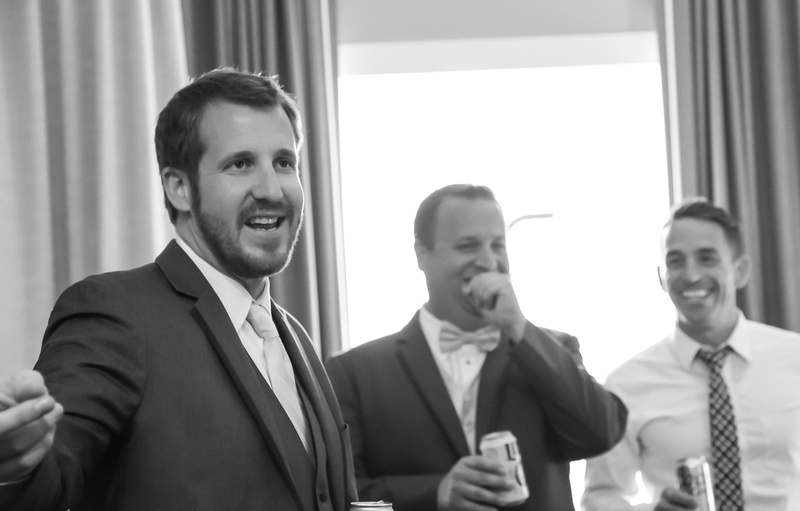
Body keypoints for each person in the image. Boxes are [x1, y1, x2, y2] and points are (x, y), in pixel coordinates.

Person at [0, 68, 357, 511]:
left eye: (284, 162)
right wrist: (17, 466)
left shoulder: (295, 336)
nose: (272, 189)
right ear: (180, 188)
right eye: (240, 164)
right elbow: (52, 474)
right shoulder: (115, 312)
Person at [325, 184, 628, 511]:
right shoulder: (354, 373)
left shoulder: (551, 348)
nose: (489, 261)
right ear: (421, 254)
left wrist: (518, 328)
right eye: (468, 246)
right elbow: (342, 492)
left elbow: (601, 433)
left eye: (498, 245)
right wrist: (435, 493)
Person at [582, 197, 800, 510]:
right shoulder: (624, 386)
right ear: (661, 277)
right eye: (675, 261)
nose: (691, 275)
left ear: (739, 271)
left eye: (707, 258)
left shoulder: (795, 359)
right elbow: (601, 497)